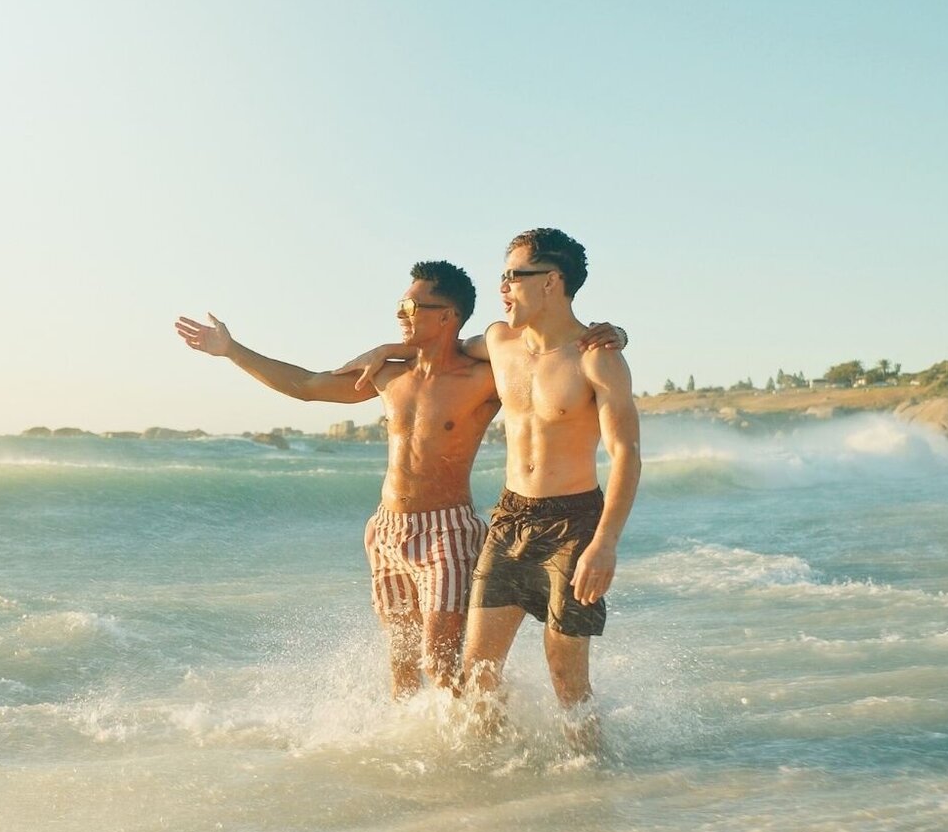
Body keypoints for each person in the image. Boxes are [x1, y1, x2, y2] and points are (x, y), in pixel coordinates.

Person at [173, 262, 624, 698]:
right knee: (403, 668)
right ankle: (411, 767)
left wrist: (616, 334)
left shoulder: (482, 377)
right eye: (400, 307)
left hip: (446, 533)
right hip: (387, 532)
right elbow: (307, 385)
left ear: (446, 315)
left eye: (411, 308)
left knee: (440, 664)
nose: (399, 315)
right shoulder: (388, 374)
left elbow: (542, 350)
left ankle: (481, 750)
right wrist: (232, 350)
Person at [346, 230, 638, 751]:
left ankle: (592, 785)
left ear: (551, 281)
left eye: (514, 276)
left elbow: (626, 456)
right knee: (477, 672)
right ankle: (490, 787)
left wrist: (606, 542)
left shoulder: (597, 358)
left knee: (566, 677)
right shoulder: (501, 341)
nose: (503, 286)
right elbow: (446, 346)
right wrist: (391, 346)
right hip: (509, 518)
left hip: (573, 523)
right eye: (502, 275)